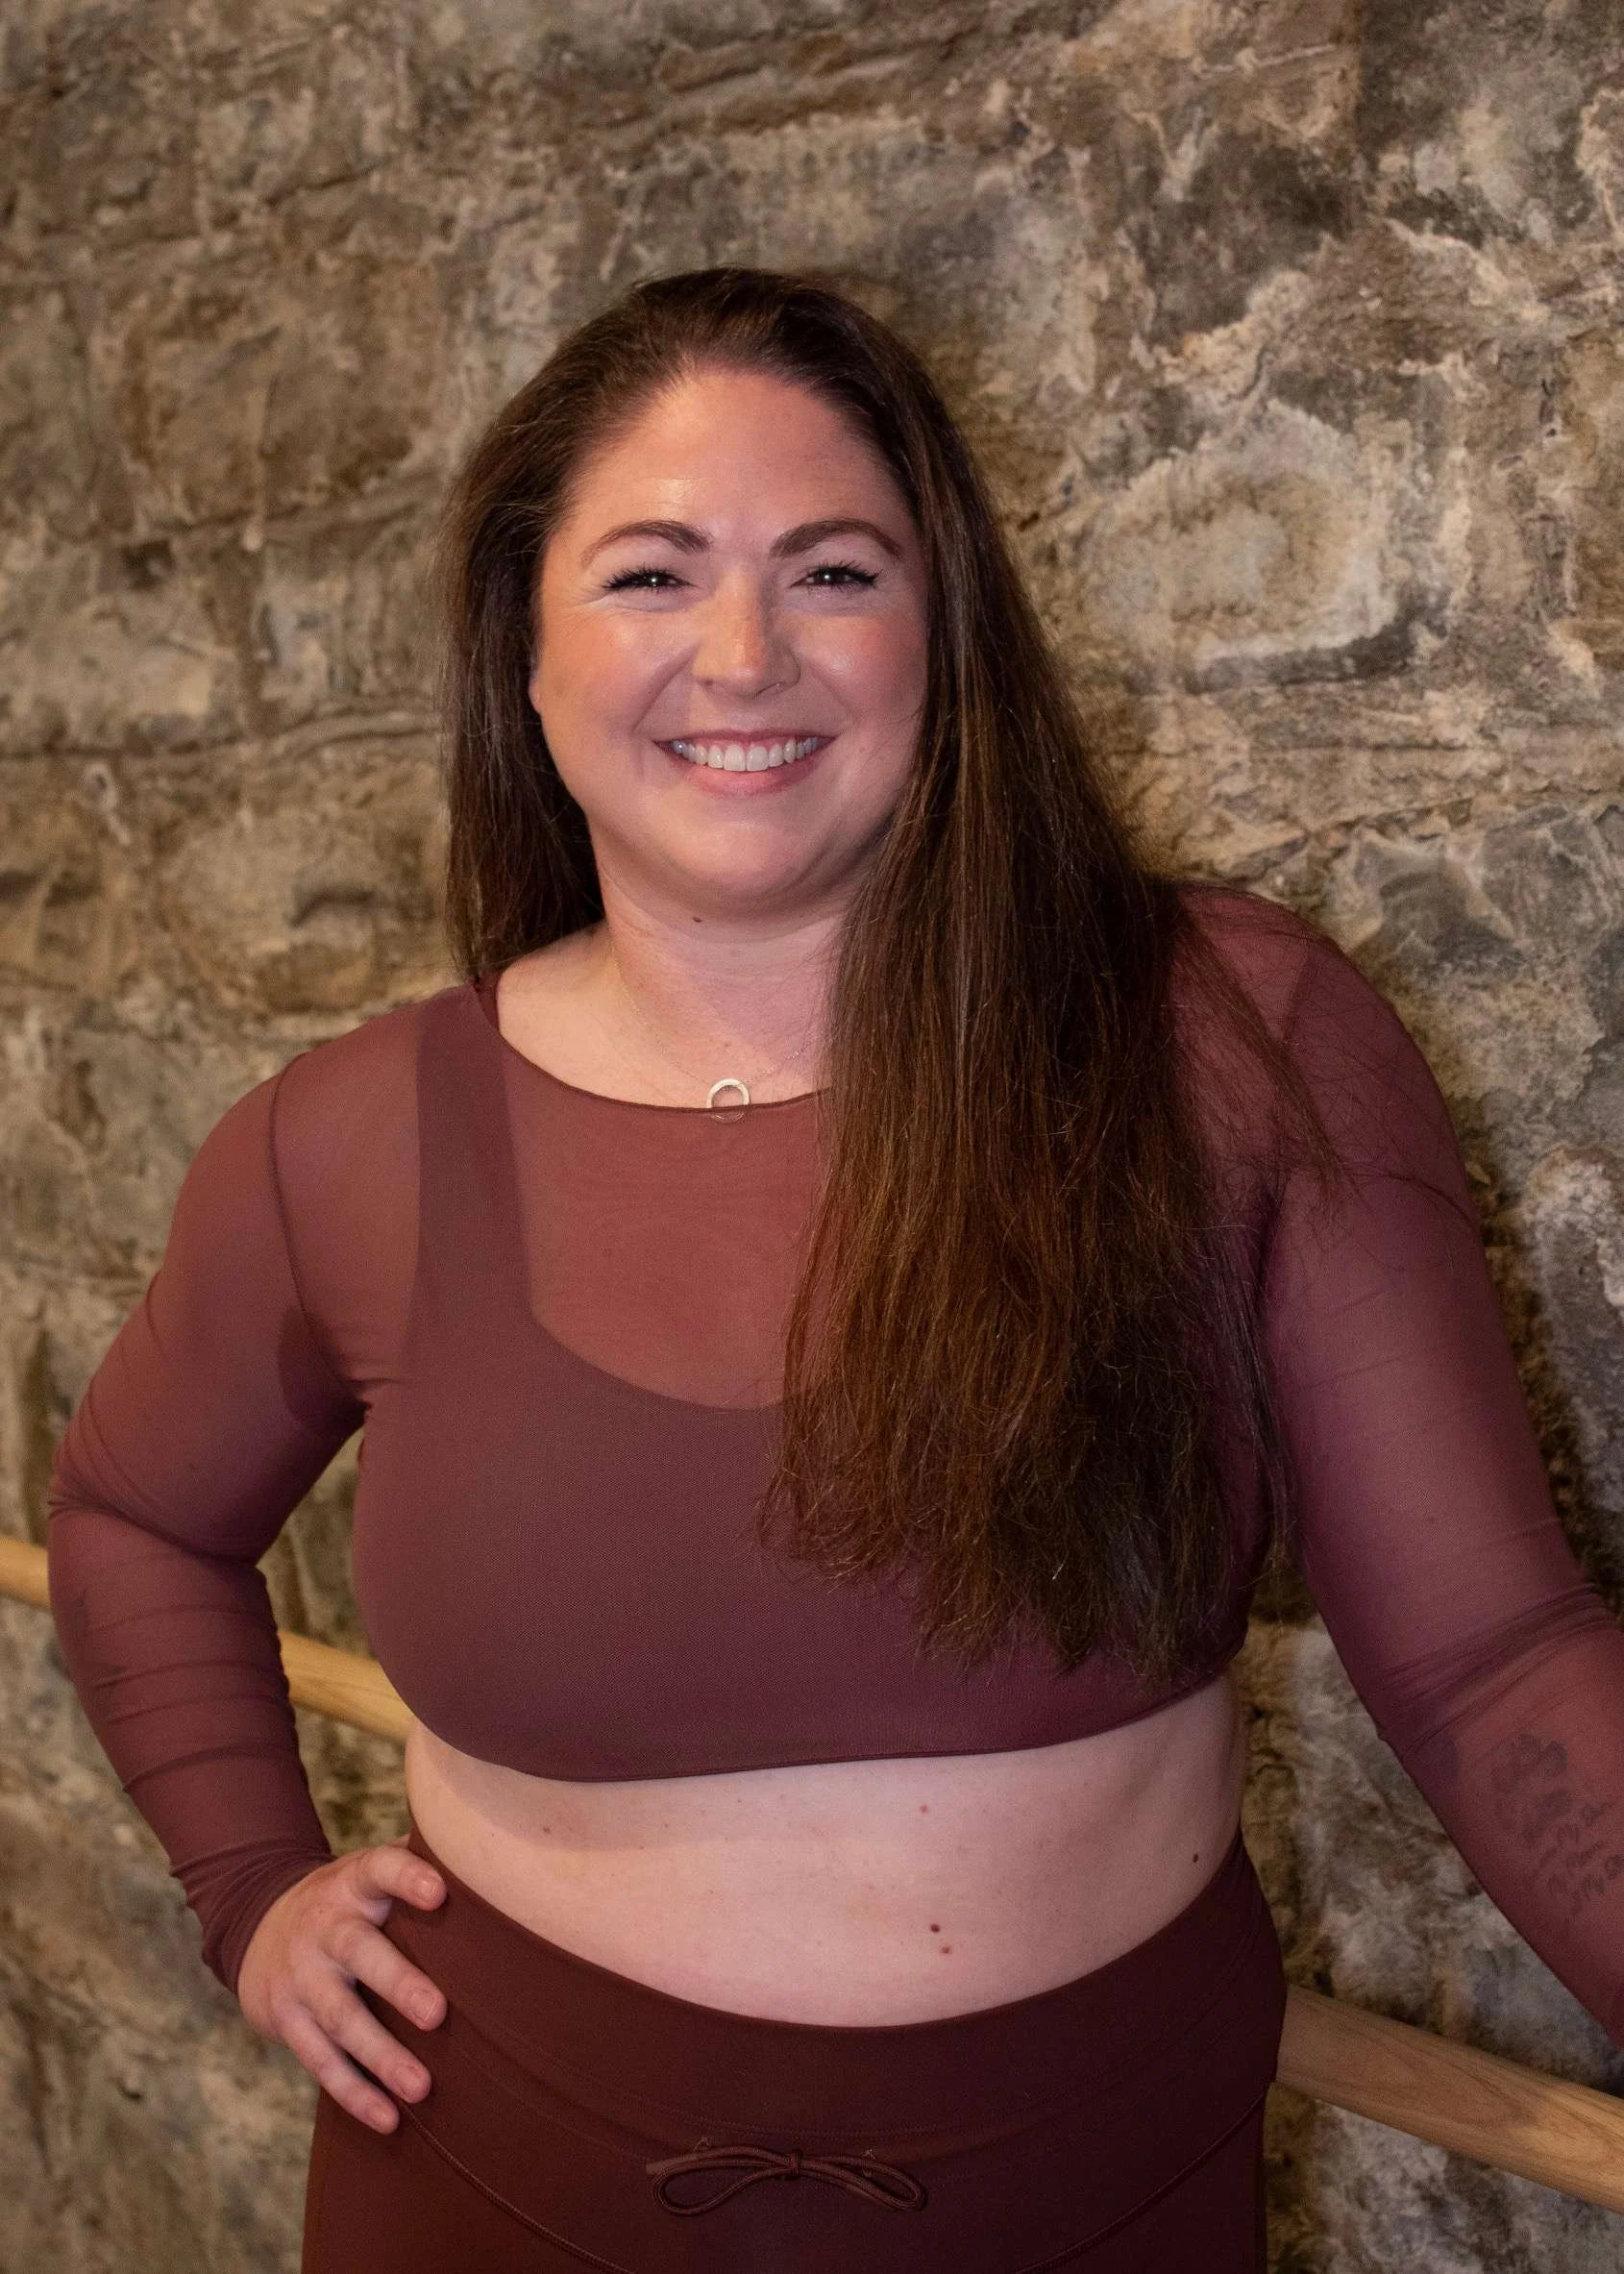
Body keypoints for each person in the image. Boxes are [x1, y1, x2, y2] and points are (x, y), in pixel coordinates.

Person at [45, 266, 1624, 2273]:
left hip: (1101, 2207)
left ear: (945, 638)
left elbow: (1495, 1667)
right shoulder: (346, 1141)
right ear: (521, 660)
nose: (740, 650)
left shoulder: (1231, 1042)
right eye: (646, 575)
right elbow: (122, 1515)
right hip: (487, 2198)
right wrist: (252, 1883)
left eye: (833, 570)